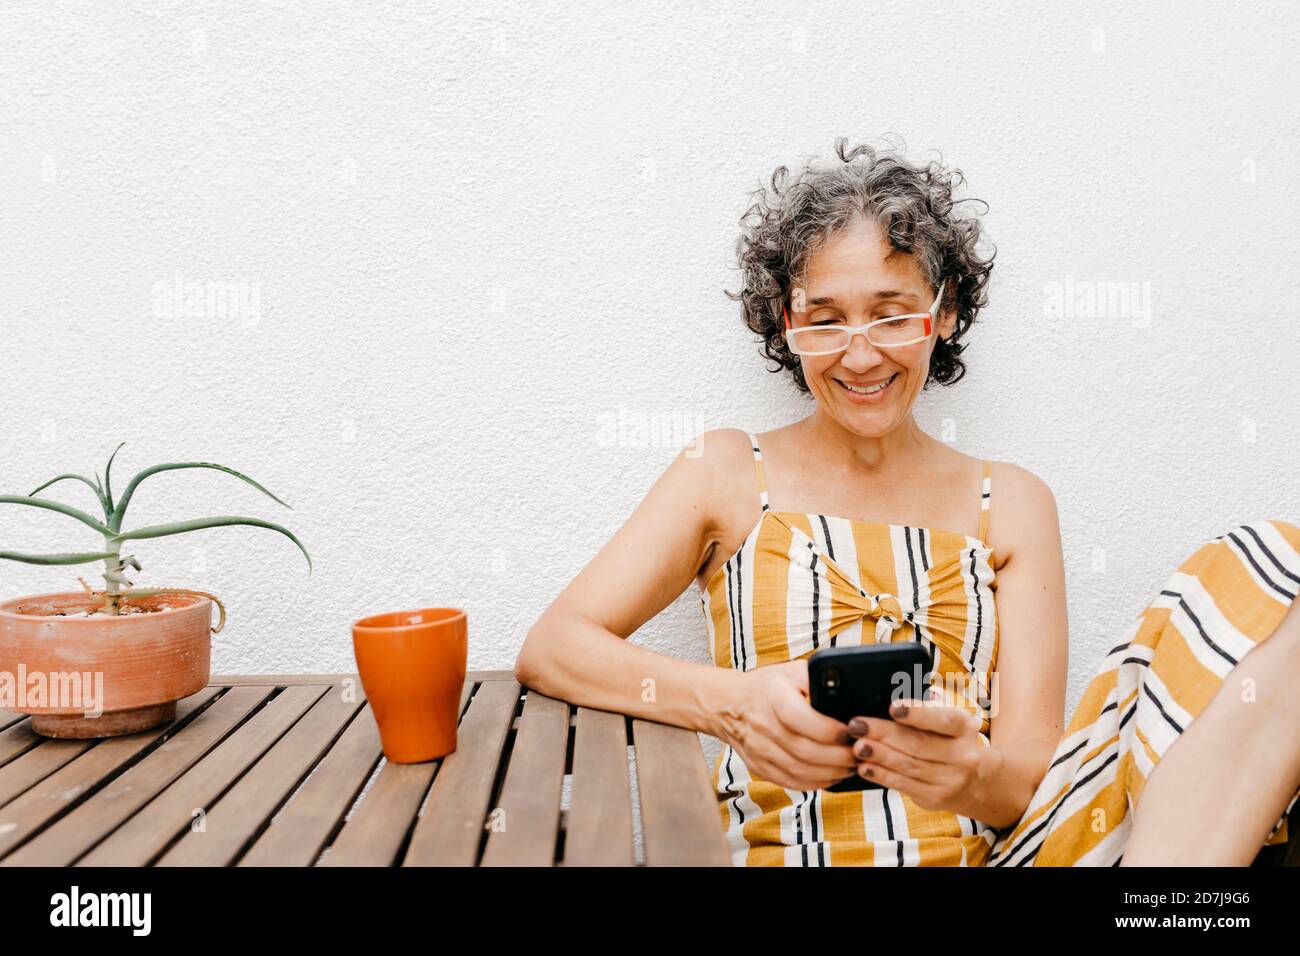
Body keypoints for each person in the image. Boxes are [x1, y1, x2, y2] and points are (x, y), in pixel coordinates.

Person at [514, 137, 1300, 866]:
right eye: (826, 321)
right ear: (789, 327)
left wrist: (968, 778)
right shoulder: (723, 470)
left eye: (892, 314)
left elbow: (1027, 775)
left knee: (1276, 566)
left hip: (1001, 854)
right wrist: (734, 708)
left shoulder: (1014, 503)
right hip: (782, 850)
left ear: (944, 310)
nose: (861, 354)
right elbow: (554, 647)